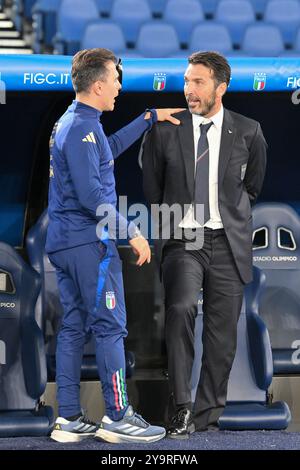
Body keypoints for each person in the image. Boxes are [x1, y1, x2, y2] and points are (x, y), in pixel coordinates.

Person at [46, 47, 183, 444]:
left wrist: (147, 118)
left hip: (67, 243)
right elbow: (92, 196)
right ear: (99, 84)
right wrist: (133, 232)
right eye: (116, 80)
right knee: (110, 327)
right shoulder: (80, 128)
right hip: (90, 244)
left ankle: (69, 418)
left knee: (73, 326)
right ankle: (118, 415)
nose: (120, 87)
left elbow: (106, 152)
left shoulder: (78, 124)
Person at [142, 51, 267, 438]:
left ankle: (207, 415)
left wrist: (228, 217)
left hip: (228, 241)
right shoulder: (164, 130)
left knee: (222, 334)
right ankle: (180, 408)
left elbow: (252, 188)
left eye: (198, 82)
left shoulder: (249, 131)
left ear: (221, 87)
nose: (189, 90)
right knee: (180, 309)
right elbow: (153, 190)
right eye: (186, 81)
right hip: (185, 238)